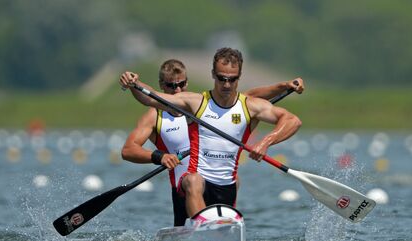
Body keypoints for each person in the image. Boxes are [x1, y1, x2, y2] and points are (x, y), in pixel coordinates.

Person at [120, 49, 302, 222]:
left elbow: (292, 120)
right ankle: (203, 227)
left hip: (226, 187)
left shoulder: (249, 105)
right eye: (222, 79)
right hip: (193, 183)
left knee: (235, 181)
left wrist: (265, 142)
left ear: (239, 77)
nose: (226, 85)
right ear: (213, 74)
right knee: (193, 180)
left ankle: (213, 229)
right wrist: (134, 83)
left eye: (232, 79)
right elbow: (151, 97)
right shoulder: (195, 102)